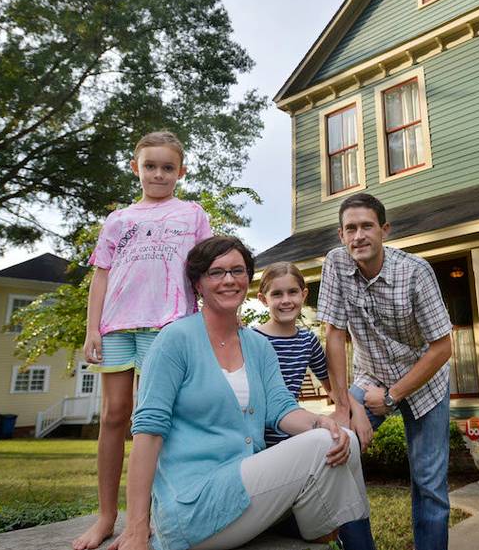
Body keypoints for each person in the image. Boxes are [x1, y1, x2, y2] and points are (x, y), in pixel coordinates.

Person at [113, 235, 370, 550]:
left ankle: (326, 533)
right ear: (197, 284)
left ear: (248, 280)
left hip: (244, 492)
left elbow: (280, 409)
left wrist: (321, 423)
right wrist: (137, 528)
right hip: (194, 505)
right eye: (216, 272)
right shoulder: (175, 340)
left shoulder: (257, 345)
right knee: (323, 443)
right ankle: (329, 532)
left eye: (237, 271)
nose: (229, 280)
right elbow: (148, 433)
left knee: (342, 438)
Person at [73, 131, 213, 550]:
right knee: (115, 415)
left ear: (180, 172)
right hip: (118, 326)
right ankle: (105, 516)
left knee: (155, 421)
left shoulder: (191, 214)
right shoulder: (118, 220)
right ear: (136, 168)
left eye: (167, 167)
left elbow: (204, 269)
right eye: (150, 166)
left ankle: (150, 515)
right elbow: (101, 275)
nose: (158, 174)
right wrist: (92, 328)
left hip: (166, 325)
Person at [317, 193, 454, 550]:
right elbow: (333, 334)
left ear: (384, 230)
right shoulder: (335, 264)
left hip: (425, 380)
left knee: (429, 483)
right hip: (370, 374)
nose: (358, 236)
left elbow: (443, 348)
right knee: (335, 451)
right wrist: (345, 405)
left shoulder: (415, 272)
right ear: (341, 234)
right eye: (350, 228)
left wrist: (393, 396)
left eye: (366, 226)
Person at [254, 262, 377, 550]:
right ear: (263, 299)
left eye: (293, 292)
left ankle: (358, 542)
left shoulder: (307, 341)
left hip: (294, 436)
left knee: (344, 446)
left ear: (304, 294)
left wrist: (356, 410)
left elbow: (334, 388)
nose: (286, 300)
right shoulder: (252, 339)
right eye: (277, 294)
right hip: (261, 443)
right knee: (332, 444)